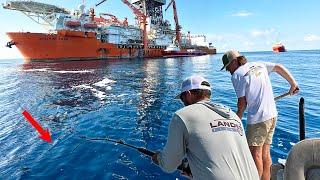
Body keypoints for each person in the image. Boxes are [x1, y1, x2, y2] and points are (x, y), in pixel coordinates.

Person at [151, 75, 259, 180]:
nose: (182, 102)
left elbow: (169, 164)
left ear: (188, 94)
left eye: (182, 98)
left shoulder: (182, 115)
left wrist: (159, 159)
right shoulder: (232, 115)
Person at [220, 50, 299, 180]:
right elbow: (278, 67)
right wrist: (293, 83)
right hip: (272, 115)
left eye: (228, 66)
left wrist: (237, 118)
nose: (228, 70)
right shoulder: (259, 64)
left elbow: (242, 103)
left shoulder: (237, 75)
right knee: (265, 153)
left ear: (234, 62)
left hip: (258, 119)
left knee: (255, 155)